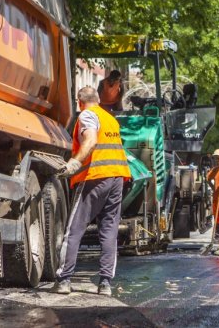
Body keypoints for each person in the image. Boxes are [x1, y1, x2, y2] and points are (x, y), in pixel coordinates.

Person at [53, 87, 131, 296]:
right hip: (117, 178)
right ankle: (105, 283)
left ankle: (64, 279)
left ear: (79, 102)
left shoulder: (88, 115)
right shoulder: (110, 119)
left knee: (74, 229)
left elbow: (91, 140)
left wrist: (73, 163)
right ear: (97, 99)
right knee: (109, 231)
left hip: (95, 177)